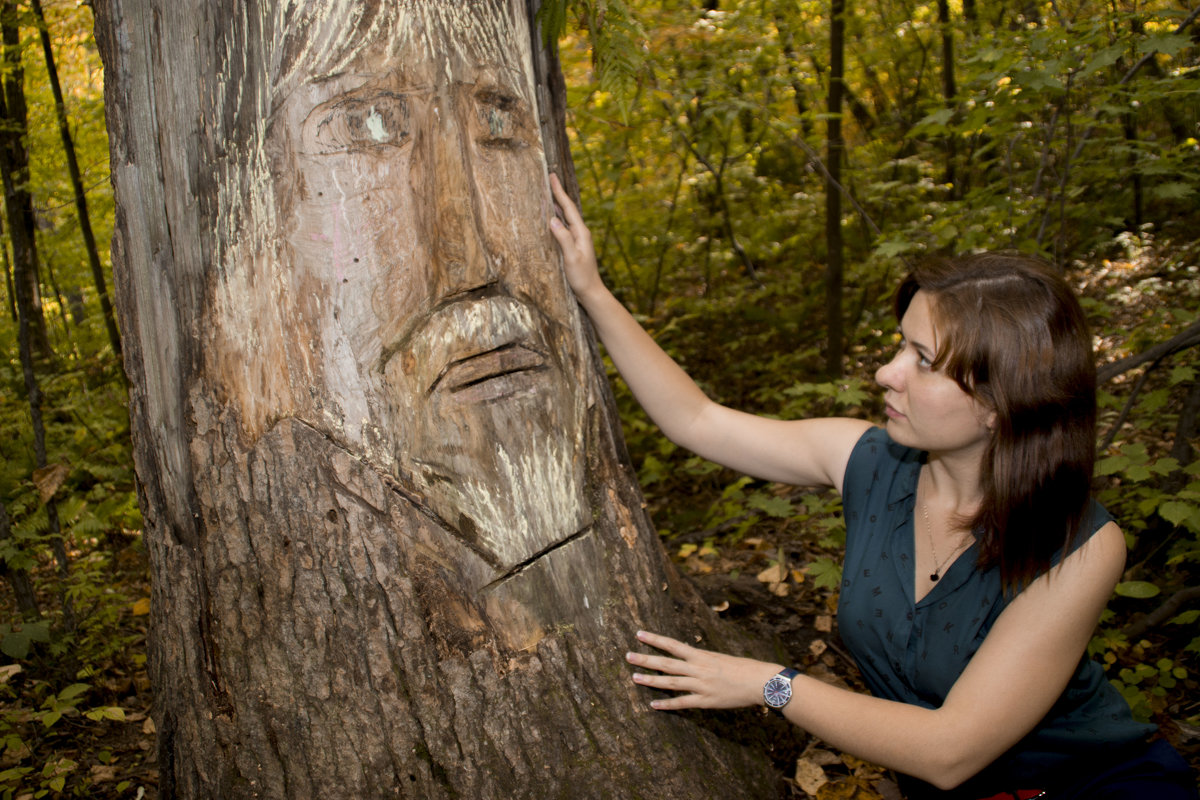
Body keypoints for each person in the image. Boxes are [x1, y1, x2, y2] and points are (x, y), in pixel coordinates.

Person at [548, 174, 1198, 799]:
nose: (886, 373)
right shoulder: (868, 460)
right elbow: (698, 419)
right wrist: (593, 291)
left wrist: (769, 684)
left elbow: (950, 750)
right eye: (898, 347)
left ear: (1002, 401)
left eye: (922, 360)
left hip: (1095, 783)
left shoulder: (1081, 543)